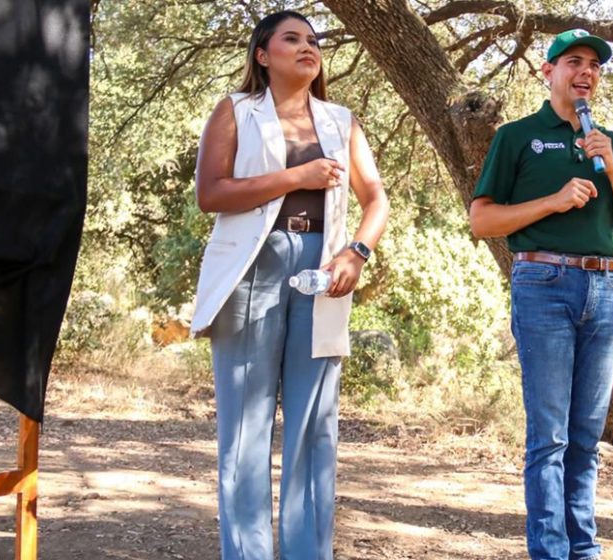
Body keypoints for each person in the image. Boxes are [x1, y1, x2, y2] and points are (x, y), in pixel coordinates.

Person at [188, 11, 389, 560]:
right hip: (253, 265)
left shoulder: (341, 121)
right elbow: (212, 193)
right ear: (262, 54)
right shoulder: (236, 111)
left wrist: (357, 251)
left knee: (313, 425)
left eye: (313, 40)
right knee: (246, 429)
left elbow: (377, 200)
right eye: (291, 38)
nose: (307, 47)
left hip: (325, 271)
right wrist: (297, 177)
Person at [468, 29, 613, 560]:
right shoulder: (518, 136)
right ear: (547, 72)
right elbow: (482, 220)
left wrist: (611, 166)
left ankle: (584, 549)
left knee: (586, 437)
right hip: (543, 284)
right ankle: (550, 551)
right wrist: (553, 201)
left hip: (605, 287)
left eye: (594, 65)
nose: (586, 72)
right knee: (549, 435)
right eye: (573, 61)